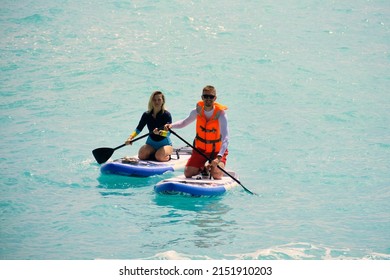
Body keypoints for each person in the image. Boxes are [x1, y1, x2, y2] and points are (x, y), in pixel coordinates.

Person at [164, 85, 229, 179]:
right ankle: (204, 168)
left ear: (215, 98)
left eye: (211, 97)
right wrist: (171, 126)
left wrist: (219, 157)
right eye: (205, 96)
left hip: (217, 151)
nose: (208, 99)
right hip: (200, 150)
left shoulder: (221, 115)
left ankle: (215, 167)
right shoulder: (196, 111)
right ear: (202, 97)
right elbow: (184, 122)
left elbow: (226, 138)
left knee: (216, 175)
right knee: (188, 173)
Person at [125, 91, 173, 162]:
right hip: (151, 143)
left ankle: (166, 156)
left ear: (163, 101)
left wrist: (159, 133)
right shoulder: (146, 114)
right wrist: (130, 138)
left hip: (165, 144)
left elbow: (168, 133)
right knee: (141, 155)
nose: (156, 102)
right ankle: (154, 154)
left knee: (159, 157)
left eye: (159, 99)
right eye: (154, 100)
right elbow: (138, 129)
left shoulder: (167, 115)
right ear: (151, 101)